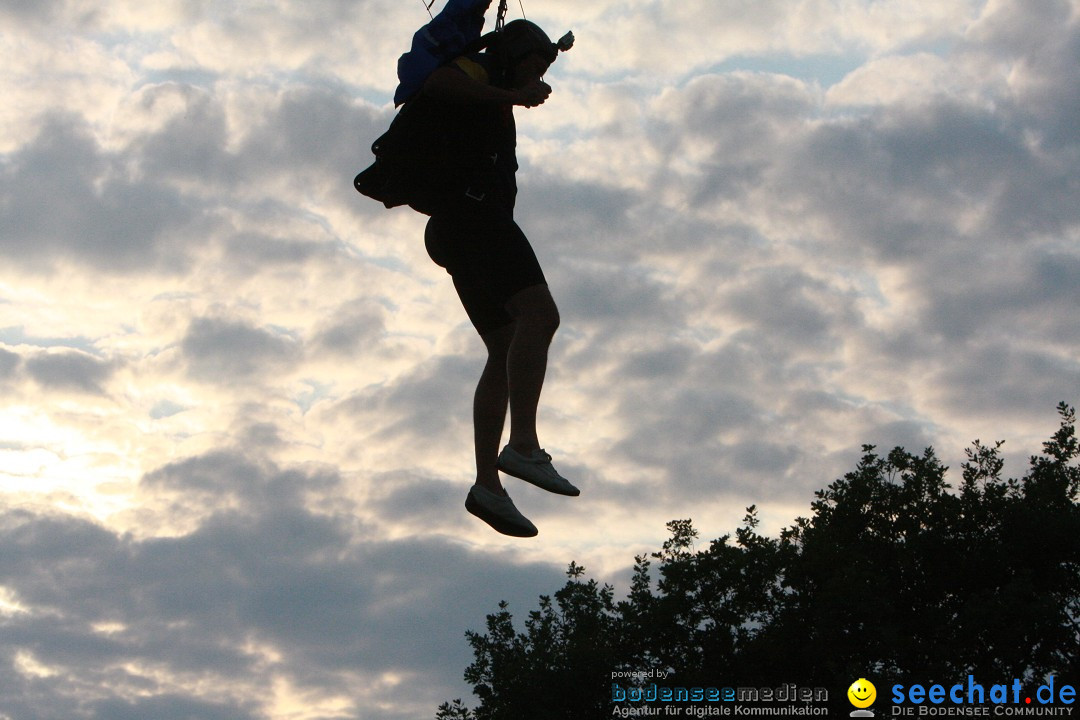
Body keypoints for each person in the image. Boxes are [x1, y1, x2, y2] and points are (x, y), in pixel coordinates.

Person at [416, 20, 579, 537]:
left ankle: (488, 485)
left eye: (547, 65)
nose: (540, 72)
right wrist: (512, 93)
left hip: (458, 227)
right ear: (512, 52)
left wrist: (514, 93)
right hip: (475, 218)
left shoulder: (489, 84)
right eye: (535, 60)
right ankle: (524, 446)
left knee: (504, 345)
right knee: (540, 315)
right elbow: (436, 82)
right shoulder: (476, 70)